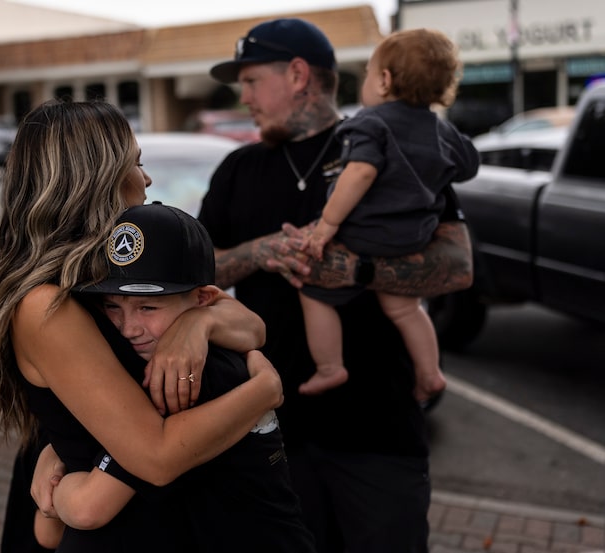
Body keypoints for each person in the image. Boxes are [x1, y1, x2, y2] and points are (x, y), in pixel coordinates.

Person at [198, 17, 475, 553]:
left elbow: (459, 264)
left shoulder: (391, 139)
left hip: (379, 435)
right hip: (271, 435)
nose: (244, 97)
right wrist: (261, 252)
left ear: (298, 75)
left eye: (252, 81)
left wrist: (359, 270)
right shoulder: (239, 167)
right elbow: (198, 273)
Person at [0, 100, 283, 552]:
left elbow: (252, 328)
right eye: (136, 163)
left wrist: (196, 324)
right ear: (94, 178)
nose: (147, 179)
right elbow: (155, 457)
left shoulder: (108, 276)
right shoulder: (46, 304)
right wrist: (264, 391)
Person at [34, 202, 317, 552]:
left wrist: (59, 487)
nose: (128, 328)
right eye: (112, 307)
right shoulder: (162, 363)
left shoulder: (183, 380)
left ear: (204, 299)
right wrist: (58, 451)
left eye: (148, 307)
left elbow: (83, 511)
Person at [297, 28, 479, 400]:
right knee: (405, 309)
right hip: (414, 239)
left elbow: (360, 172)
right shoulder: (442, 131)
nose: (365, 81)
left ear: (384, 80)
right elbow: (469, 166)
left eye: (367, 73)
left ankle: (330, 366)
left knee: (312, 290)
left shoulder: (371, 122)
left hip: (364, 233)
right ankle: (430, 373)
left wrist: (326, 226)